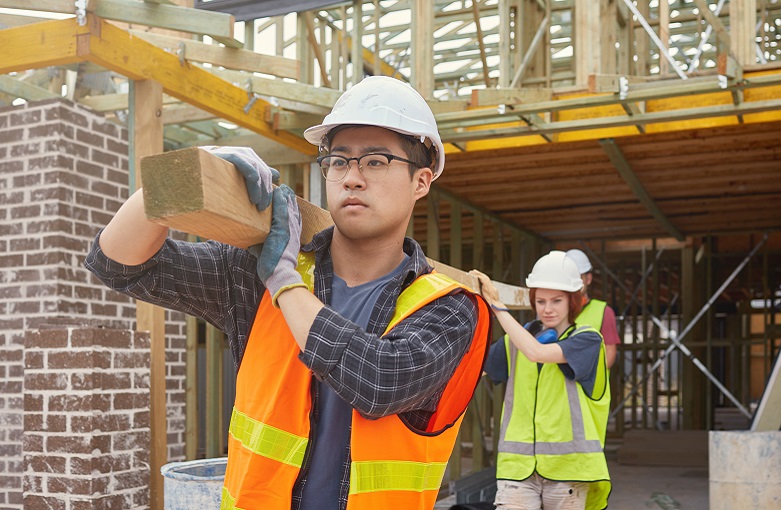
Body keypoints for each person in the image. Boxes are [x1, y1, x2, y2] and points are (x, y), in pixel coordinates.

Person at [85, 76, 491, 510]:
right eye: (338, 161)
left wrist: (284, 283)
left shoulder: (449, 306)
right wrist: (188, 172)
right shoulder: (257, 272)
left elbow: (378, 383)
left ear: (421, 182)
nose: (351, 178)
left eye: (375, 161)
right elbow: (118, 263)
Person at [470, 251, 611, 510]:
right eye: (541, 300)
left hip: (569, 470)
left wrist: (498, 308)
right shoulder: (515, 343)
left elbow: (537, 353)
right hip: (518, 470)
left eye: (557, 300)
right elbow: (472, 370)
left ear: (573, 301)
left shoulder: (587, 340)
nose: (547, 309)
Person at [565, 249, 620, 369]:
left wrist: (588, 376)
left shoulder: (604, 312)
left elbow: (610, 354)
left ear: (588, 279)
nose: (574, 283)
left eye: (578, 277)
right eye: (569, 277)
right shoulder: (553, 309)